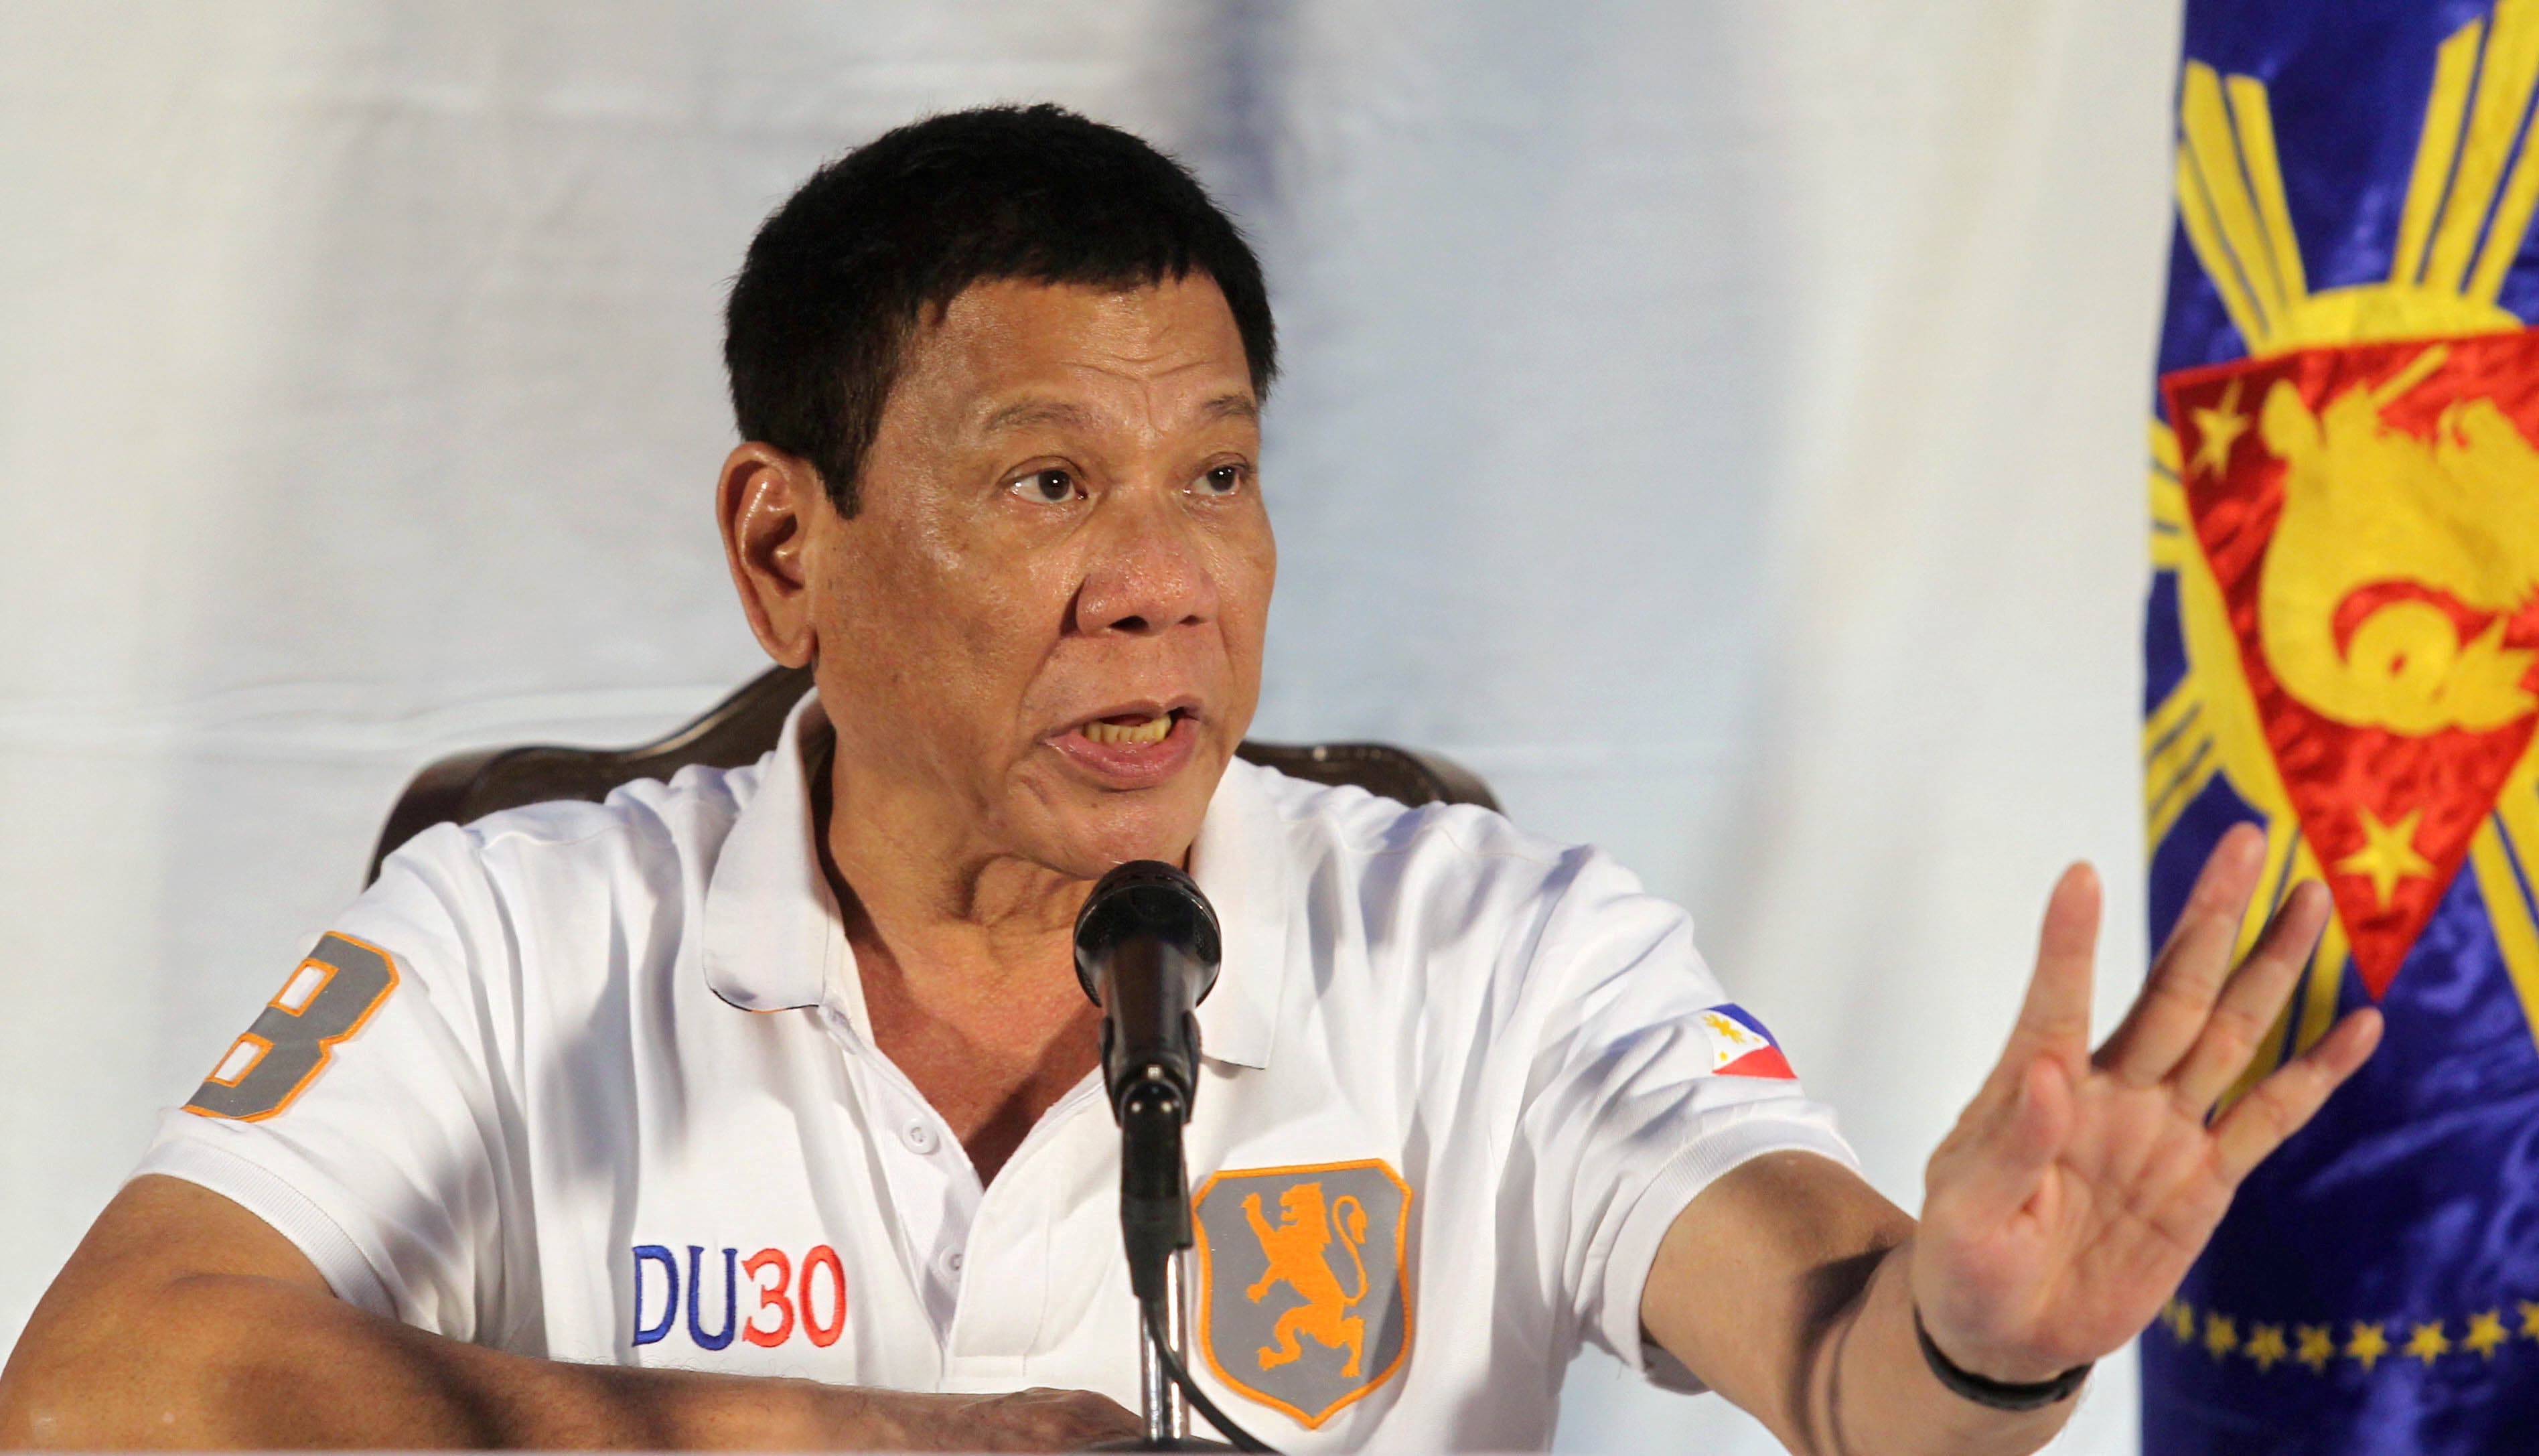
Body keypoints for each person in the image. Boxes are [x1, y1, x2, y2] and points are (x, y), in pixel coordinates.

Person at [0, 105, 2378, 1453]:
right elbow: (96, 1398)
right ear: (782, 549)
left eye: (1216, 479)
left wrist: (1981, 1335)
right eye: (1049, 487)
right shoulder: (523, 928)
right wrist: (857, 1450)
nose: (1166, 585)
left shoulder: (1485, 946)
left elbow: (1850, 1363)